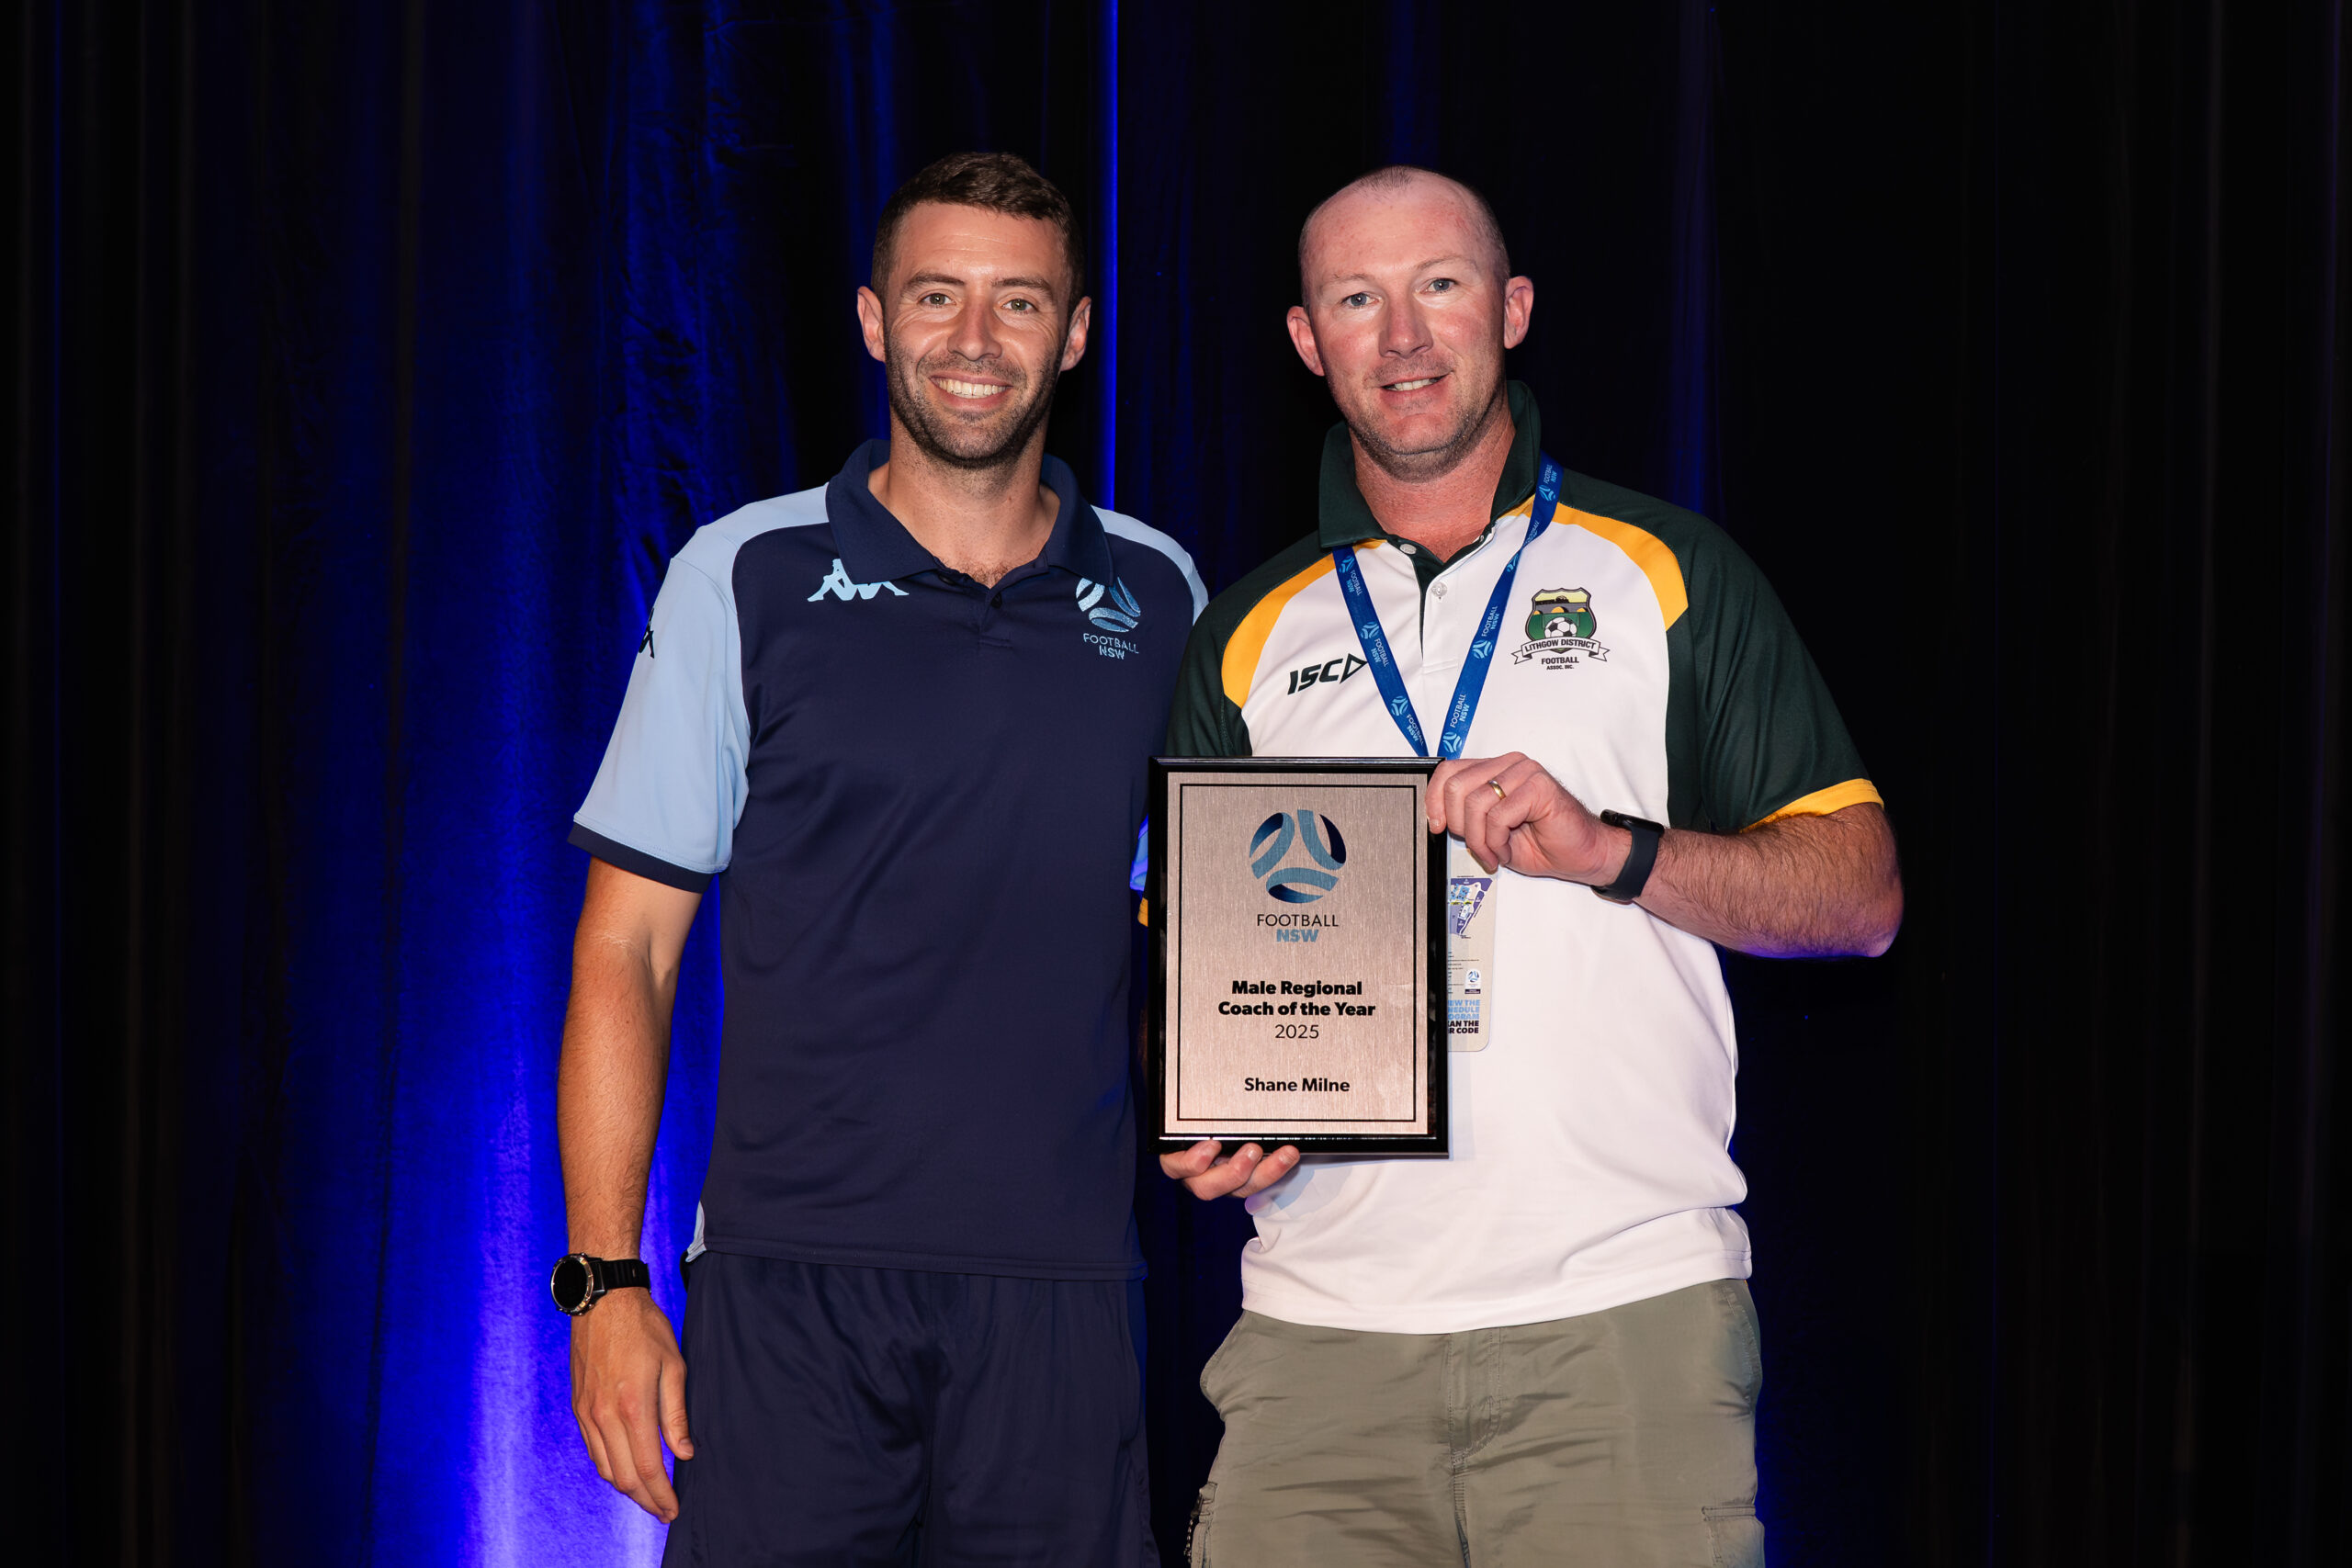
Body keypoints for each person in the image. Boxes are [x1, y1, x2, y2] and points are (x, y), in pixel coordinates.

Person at [1159, 165, 1902, 1568]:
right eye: (1355, 300)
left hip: (1623, 1325)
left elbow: (1860, 898)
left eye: (1438, 286)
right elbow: (1174, 964)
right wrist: (1202, 1112)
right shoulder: (1249, 628)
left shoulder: (1668, 572)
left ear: (1511, 310)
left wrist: (1613, 852)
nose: (1402, 337)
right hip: (1318, 1338)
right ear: (1307, 340)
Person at [557, 150, 1203, 1564]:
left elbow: (1196, 930)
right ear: (871, 319)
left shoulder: (1163, 594)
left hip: (1066, 1291)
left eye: (1019, 303)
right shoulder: (745, 574)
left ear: (1077, 332)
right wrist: (606, 1285)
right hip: (793, 1293)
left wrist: (1263, 1086)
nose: (974, 342)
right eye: (937, 297)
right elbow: (628, 950)